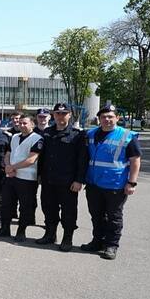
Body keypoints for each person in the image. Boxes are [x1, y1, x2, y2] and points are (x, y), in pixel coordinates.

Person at [81, 103, 142, 260]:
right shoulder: (91, 134)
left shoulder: (127, 136)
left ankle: (111, 245)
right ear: (99, 119)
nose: (107, 119)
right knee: (96, 215)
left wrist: (132, 183)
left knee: (114, 217)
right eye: (103, 117)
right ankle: (97, 241)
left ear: (117, 118)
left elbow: (135, 161)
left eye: (110, 116)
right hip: (94, 184)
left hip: (115, 184)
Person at [35, 103, 87, 251]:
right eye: (58, 113)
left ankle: (67, 238)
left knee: (68, 211)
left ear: (69, 115)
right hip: (48, 179)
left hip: (68, 181)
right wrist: (39, 175)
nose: (60, 116)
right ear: (53, 115)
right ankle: (50, 234)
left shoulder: (77, 135)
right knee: (48, 208)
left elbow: (82, 159)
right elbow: (41, 157)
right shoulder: (47, 133)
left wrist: (79, 180)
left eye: (64, 113)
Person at [0, 115, 43, 242]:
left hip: (27, 179)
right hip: (11, 177)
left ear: (32, 124)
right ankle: (5, 229)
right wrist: (7, 166)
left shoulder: (37, 139)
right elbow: (8, 154)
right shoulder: (14, 137)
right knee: (6, 204)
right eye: (20, 123)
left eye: (25, 123)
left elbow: (31, 159)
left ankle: (21, 232)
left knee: (25, 207)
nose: (21, 125)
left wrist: (13, 167)